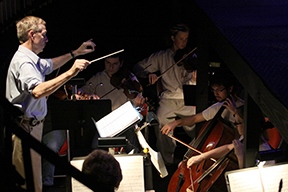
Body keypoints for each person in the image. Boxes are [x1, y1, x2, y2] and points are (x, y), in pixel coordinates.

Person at [5, 15, 96, 192]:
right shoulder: (23, 62)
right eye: (44, 34)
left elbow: (49, 65)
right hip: (26, 129)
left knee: (35, 181)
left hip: (32, 128)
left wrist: (75, 53)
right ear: (32, 35)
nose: (47, 39)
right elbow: (38, 91)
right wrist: (71, 72)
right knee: (31, 184)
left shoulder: (32, 58)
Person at [132, 23, 197, 165]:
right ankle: (168, 161)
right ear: (173, 38)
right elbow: (138, 68)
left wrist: (193, 79)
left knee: (198, 125)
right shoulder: (161, 56)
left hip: (187, 97)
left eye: (186, 39)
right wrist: (149, 74)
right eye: (181, 39)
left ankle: (192, 157)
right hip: (168, 98)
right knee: (161, 122)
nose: (184, 43)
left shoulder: (192, 57)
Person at [77, 53, 146, 153]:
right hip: (106, 122)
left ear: (121, 63)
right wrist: (88, 95)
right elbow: (81, 91)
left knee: (132, 149)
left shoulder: (128, 76)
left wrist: (137, 100)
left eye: (115, 63)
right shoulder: (98, 78)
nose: (111, 67)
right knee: (95, 147)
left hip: (125, 121)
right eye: (108, 63)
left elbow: (137, 94)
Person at [186, 105, 275, 169]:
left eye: (237, 123)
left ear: (248, 125)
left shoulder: (263, 151)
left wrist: (240, 156)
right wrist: (202, 157)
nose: (235, 126)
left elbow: (246, 179)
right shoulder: (244, 138)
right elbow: (228, 148)